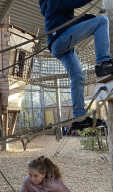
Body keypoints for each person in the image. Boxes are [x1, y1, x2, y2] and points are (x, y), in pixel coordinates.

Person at [39, 0, 112, 130]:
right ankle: (103, 63)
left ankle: (79, 117)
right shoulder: (51, 1)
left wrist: (87, 18)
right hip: (60, 39)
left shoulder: (56, 9)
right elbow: (73, 1)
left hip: (60, 44)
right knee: (102, 22)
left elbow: (71, 22)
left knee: (78, 76)